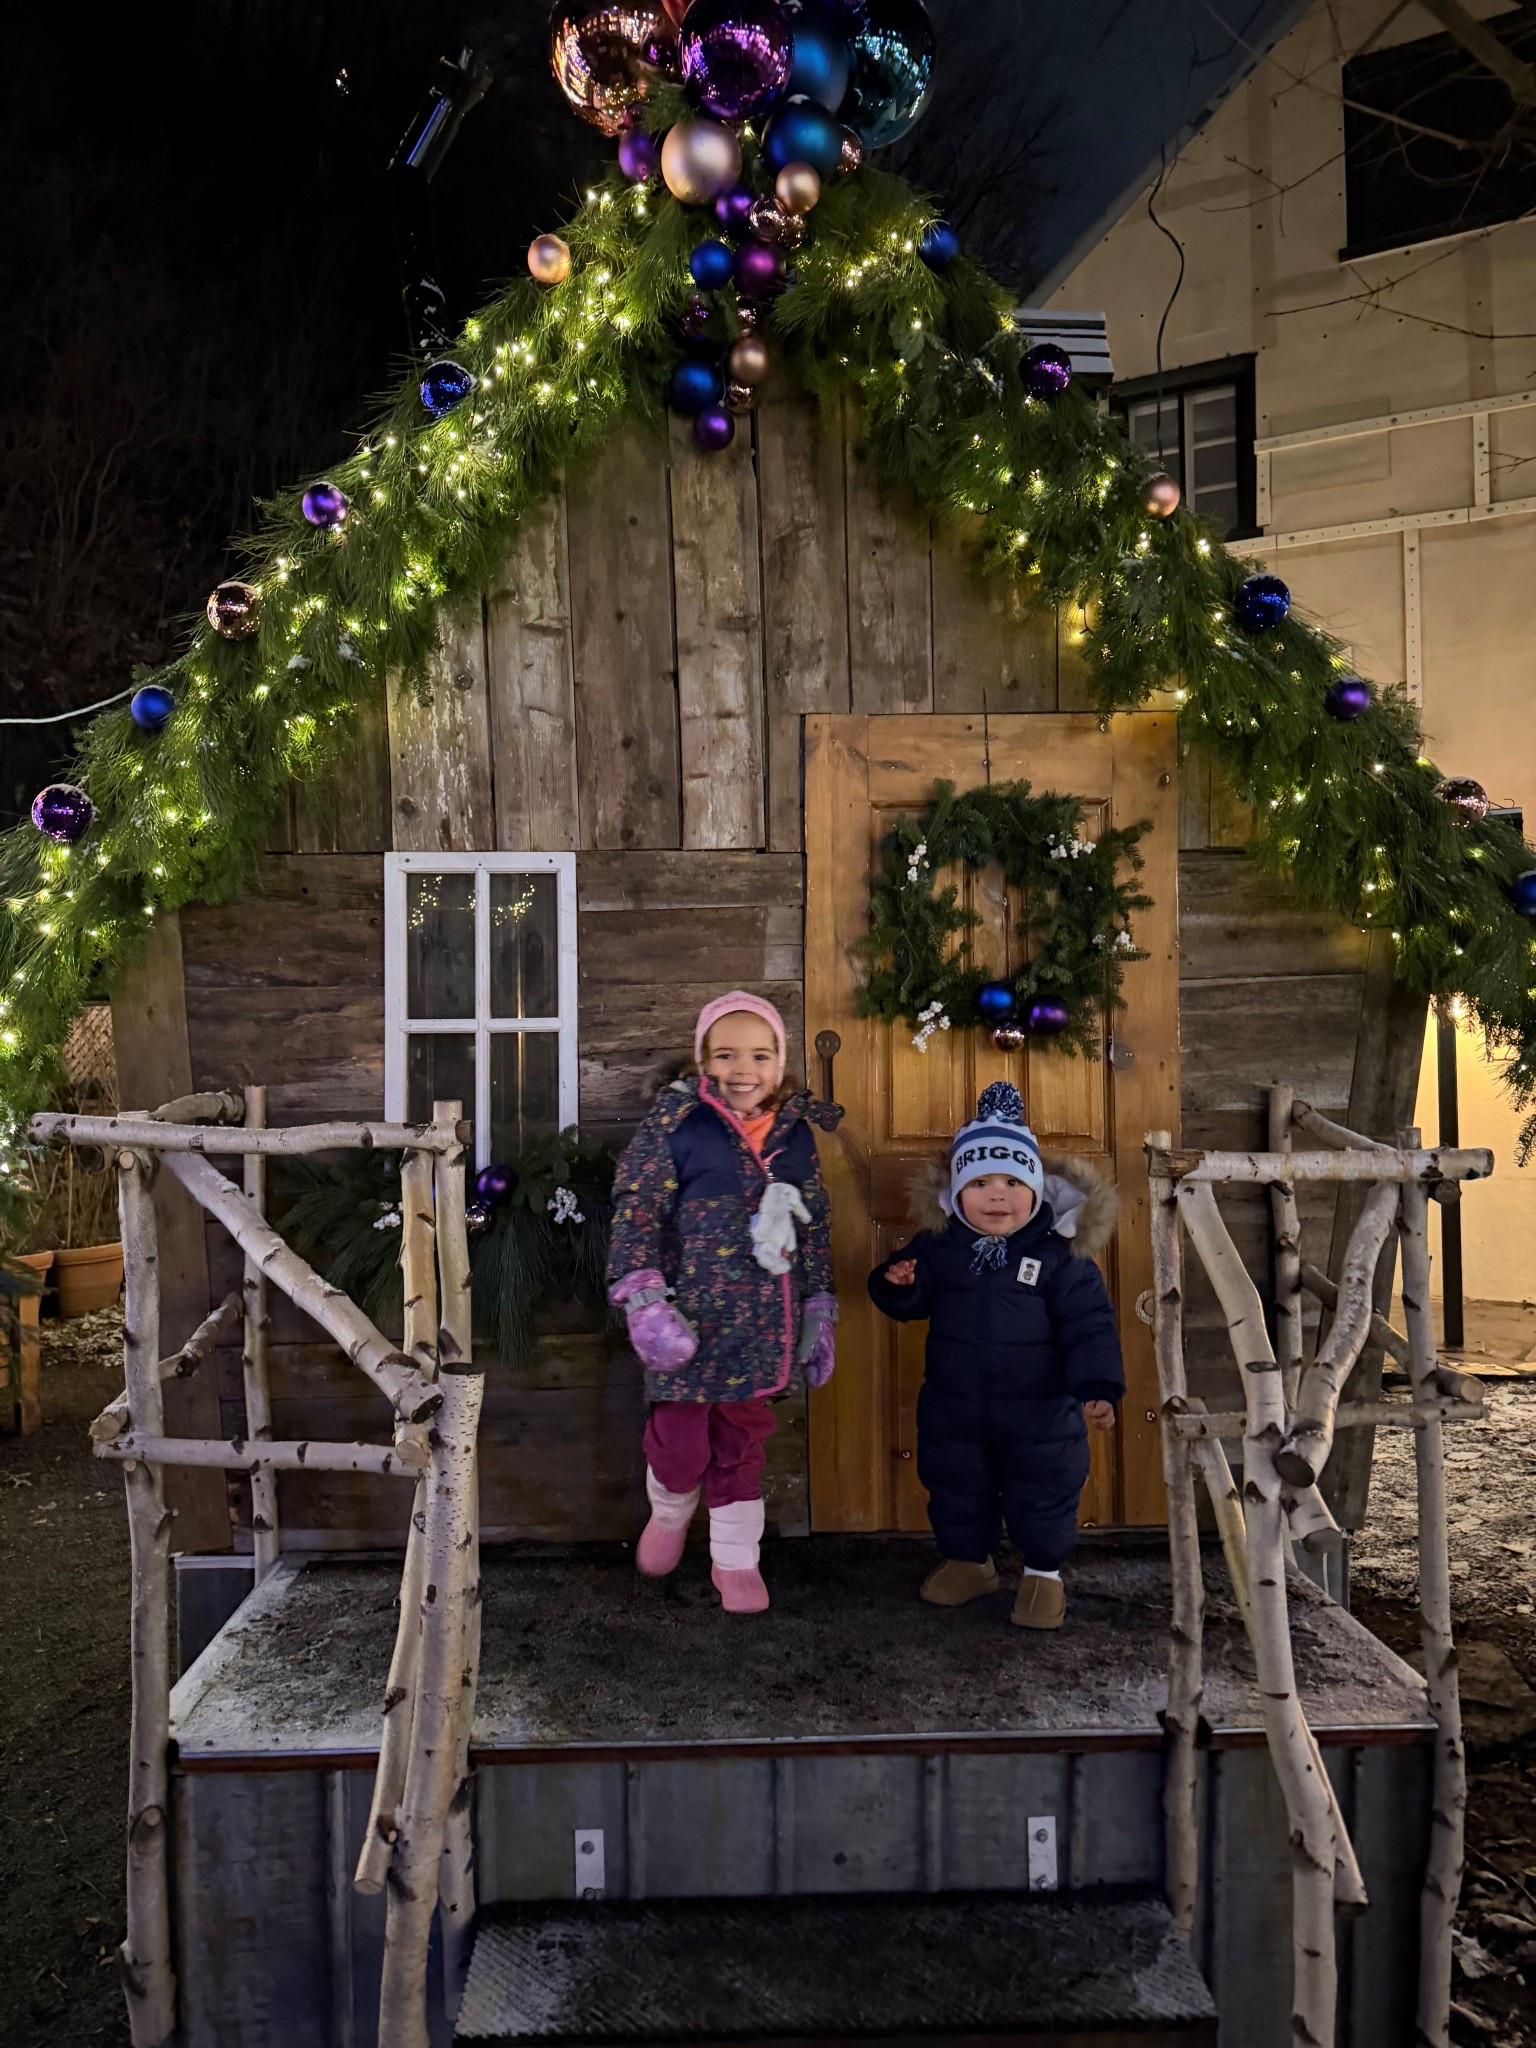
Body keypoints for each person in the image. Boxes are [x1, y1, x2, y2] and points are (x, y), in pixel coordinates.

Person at [606, 992, 837, 1614]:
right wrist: (644, 1299)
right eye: (727, 1054)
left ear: (780, 1062)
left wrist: (819, 1303)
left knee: (742, 1447)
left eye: (761, 1055)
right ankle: (670, 1511)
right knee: (681, 1445)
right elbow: (637, 1208)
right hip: (688, 1324)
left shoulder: (796, 1134)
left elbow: (813, 1224)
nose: (745, 1069)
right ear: (703, 1059)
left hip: (763, 1329)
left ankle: (736, 1562)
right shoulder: (676, 1124)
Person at [867, 1082, 1123, 1630]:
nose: (997, 1195)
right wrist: (897, 1283)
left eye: (1012, 1181)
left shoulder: (1059, 1254)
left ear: (1036, 1187)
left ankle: (1042, 1573)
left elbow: (1089, 1324)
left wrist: (1097, 1386)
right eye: (980, 1182)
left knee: (1044, 1487)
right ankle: (969, 1562)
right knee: (956, 1483)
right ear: (957, 1192)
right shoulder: (940, 1245)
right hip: (955, 1405)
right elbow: (908, 1302)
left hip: (1039, 1411)